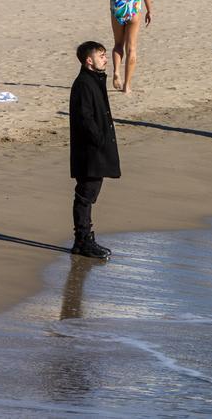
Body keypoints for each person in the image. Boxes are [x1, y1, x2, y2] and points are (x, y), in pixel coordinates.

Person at [68, 40, 119, 259]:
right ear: (89, 60)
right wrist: (99, 140)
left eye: (105, 55)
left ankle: (84, 239)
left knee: (89, 194)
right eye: (101, 56)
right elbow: (84, 118)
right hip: (89, 151)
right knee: (85, 195)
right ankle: (82, 240)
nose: (105, 59)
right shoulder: (83, 84)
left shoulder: (94, 80)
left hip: (95, 149)